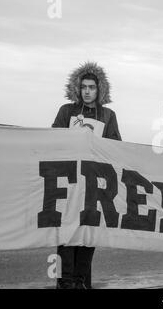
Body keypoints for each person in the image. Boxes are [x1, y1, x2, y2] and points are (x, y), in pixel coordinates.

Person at [52, 62, 122, 288]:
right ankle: (63, 282)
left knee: (88, 234)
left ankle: (81, 281)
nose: (87, 91)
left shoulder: (108, 115)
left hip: (94, 184)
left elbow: (116, 147)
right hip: (68, 182)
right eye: (83, 87)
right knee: (64, 235)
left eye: (92, 87)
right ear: (77, 89)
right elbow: (53, 139)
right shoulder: (66, 111)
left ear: (100, 89)